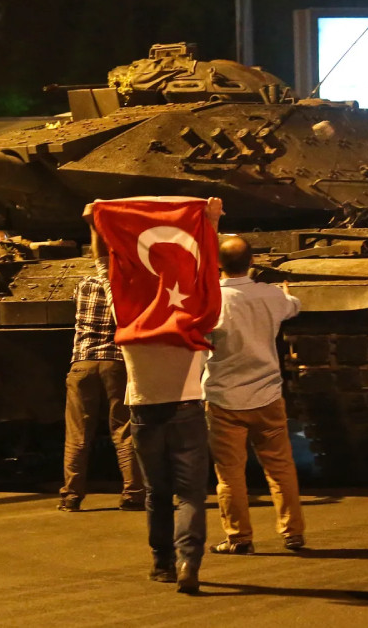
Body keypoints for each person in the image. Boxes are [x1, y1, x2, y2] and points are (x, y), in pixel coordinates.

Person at [86, 197, 223, 594]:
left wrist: (98, 226)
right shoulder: (193, 319)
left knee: (157, 493)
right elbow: (206, 274)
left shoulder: (128, 319)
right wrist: (210, 224)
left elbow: (105, 268)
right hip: (188, 412)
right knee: (191, 494)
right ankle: (188, 563)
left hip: (145, 414)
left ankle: (161, 562)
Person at [203, 236, 306, 555]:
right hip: (267, 397)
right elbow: (293, 307)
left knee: (229, 473)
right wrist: (285, 294)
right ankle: (292, 532)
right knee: (280, 467)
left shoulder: (209, 300)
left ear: (218, 263)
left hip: (223, 401)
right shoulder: (270, 295)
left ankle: (239, 537)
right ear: (252, 261)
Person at [57, 265, 144, 513]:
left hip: (82, 364)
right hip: (116, 363)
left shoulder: (84, 285)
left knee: (77, 434)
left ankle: (71, 496)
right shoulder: (129, 286)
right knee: (124, 430)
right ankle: (133, 493)